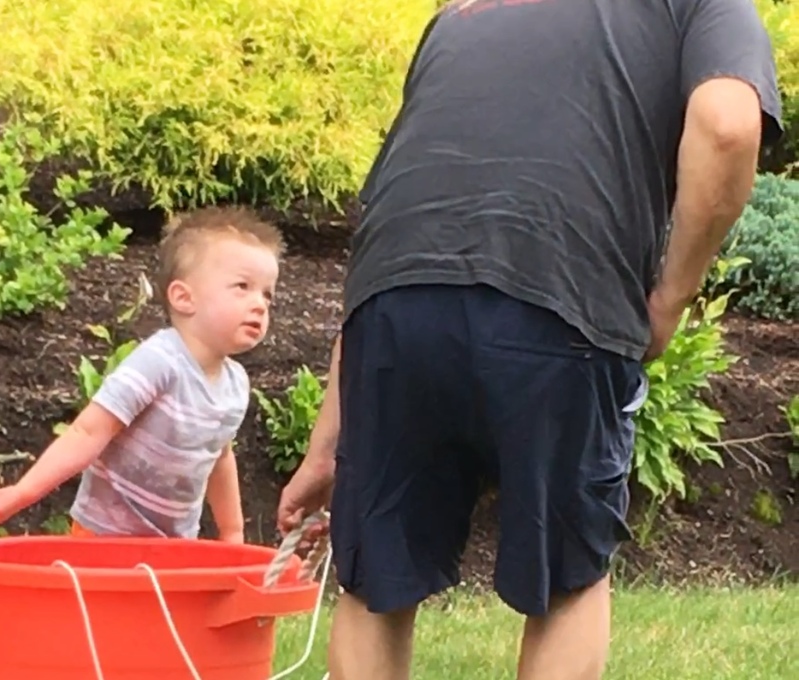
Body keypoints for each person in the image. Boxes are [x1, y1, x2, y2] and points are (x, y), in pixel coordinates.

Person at [276, 1, 783, 679]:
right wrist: (670, 296)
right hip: (562, 292)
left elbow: (396, 230)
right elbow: (726, 126)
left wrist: (325, 447)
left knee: (376, 584)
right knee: (569, 578)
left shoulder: (459, 13)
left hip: (395, 302)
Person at [0, 206, 284, 542]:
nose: (260, 304)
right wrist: (21, 494)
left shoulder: (235, 384)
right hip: (105, 536)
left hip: (174, 544)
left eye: (267, 294)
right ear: (183, 298)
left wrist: (233, 532)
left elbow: (219, 457)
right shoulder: (159, 361)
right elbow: (88, 431)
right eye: (242, 286)